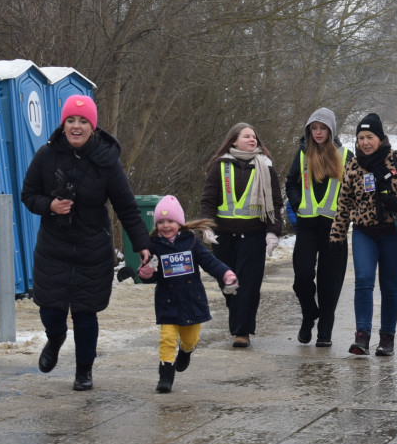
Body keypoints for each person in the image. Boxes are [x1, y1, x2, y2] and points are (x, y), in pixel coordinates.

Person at [21, 94, 151, 391]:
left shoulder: (107, 162)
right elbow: (28, 195)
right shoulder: (46, 155)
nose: (76, 126)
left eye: (83, 121)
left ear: (93, 127)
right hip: (53, 248)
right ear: (63, 124)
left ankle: (84, 371)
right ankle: (55, 340)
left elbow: (127, 208)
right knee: (51, 310)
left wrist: (142, 244)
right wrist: (50, 205)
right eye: (71, 120)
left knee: (85, 312)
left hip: (93, 248)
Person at [330, 113, 397, 356]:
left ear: (380, 137)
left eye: (369, 137)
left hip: (394, 232)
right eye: (361, 137)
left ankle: (387, 338)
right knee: (363, 280)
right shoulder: (353, 166)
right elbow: (344, 204)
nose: (365, 142)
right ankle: (362, 336)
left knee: (389, 286)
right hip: (364, 232)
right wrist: (336, 236)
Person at [137, 196, 238, 393]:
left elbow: (210, 262)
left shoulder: (191, 241)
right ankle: (165, 376)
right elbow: (150, 276)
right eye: (160, 222)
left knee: (190, 338)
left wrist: (226, 273)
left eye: (170, 221)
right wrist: (146, 272)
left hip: (192, 300)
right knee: (167, 338)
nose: (165, 226)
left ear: (180, 223)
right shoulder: (153, 245)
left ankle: (186, 350)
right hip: (167, 300)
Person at [200, 123, 284, 347]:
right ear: (233, 141)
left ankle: (242, 332)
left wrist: (273, 232)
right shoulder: (219, 167)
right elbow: (208, 200)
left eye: (254, 136)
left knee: (248, 285)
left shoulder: (266, 167)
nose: (252, 139)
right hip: (224, 237)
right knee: (228, 284)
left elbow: (276, 203)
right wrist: (206, 227)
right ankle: (239, 318)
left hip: (254, 236)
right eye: (246, 136)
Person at [284, 108, 352, 347]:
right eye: (314, 128)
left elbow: (355, 190)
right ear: (309, 130)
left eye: (323, 128)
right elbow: (290, 183)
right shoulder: (302, 154)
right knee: (302, 276)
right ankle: (309, 314)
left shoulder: (346, 155)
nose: (319, 132)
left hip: (335, 228)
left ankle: (325, 333)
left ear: (331, 130)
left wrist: (348, 213)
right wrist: (297, 203)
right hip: (307, 226)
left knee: (329, 283)